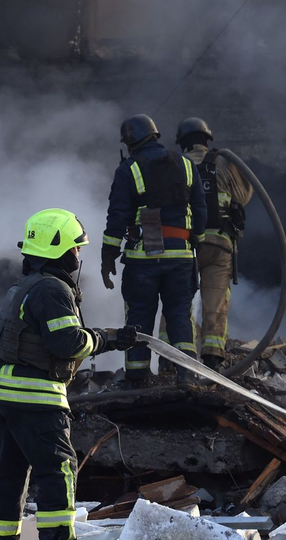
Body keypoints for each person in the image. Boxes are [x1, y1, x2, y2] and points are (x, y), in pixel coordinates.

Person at [0, 208, 137, 540]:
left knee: (8, 471)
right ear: (63, 250)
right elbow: (67, 343)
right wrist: (106, 338)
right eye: (77, 249)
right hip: (34, 395)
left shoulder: (23, 286)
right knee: (58, 469)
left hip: (2, 394)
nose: (78, 255)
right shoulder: (52, 290)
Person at [101, 114, 207, 385]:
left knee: (138, 317)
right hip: (181, 258)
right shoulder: (185, 164)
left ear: (131, 141)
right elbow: (200, 209)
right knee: (180, 317)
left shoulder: (128, 170)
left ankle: (137, 376)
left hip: (143, 260)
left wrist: (108, 256)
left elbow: (117, 217)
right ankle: (187, 375)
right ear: (155, 135)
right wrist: (195, 237)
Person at [174, 117, 255, 371]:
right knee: (216, 302)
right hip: (219, 244)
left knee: (177, 300)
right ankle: (213, 358)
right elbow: (243, 196)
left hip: (184, 244)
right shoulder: (222, 162)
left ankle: (172, 358)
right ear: (207, 140)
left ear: (182, 143)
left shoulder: (175, 165)